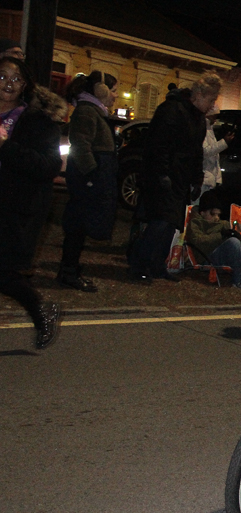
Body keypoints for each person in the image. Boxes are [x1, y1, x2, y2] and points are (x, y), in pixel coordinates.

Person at [130, 72, 220, 283]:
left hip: (179, 178)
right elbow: (158, 145)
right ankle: (139, 265)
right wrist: (162, 174)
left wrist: (196, 179)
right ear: (199, 95)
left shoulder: (197, 118)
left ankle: (156, 264)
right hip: (164, 176)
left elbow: (196, 152)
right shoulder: (172, 110)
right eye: (211, 100)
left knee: (171, 225)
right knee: (160, 222)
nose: (212, 106)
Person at [0, 57, 65, 349]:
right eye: (2, 76)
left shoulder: (38, 120)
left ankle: (40, 311)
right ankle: (41, 311)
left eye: (16, 79)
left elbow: (48, 166)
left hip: (14, 207)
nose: (8, 84)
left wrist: (5, 147)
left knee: (4, 273)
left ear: (25, 85)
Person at [57, 71, 119, 293]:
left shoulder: (93, 110)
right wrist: (93, 173)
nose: (116, 95)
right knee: (78, 226)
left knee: (80, 227)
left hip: (91, 177)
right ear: (101, 90)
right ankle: (68, 272)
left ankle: (70, 270)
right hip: (88, 179)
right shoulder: (87, 111)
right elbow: (81, 145)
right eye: (113, 90)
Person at [200, 104, 233, 196]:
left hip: (208, 178)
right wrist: (224, 142)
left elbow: (215, 158)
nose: (215, 119)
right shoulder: (203, 130)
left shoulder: (209, 130)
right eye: (214, 116)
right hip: (203, 178)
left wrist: (218, 179)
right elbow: (205, 151)